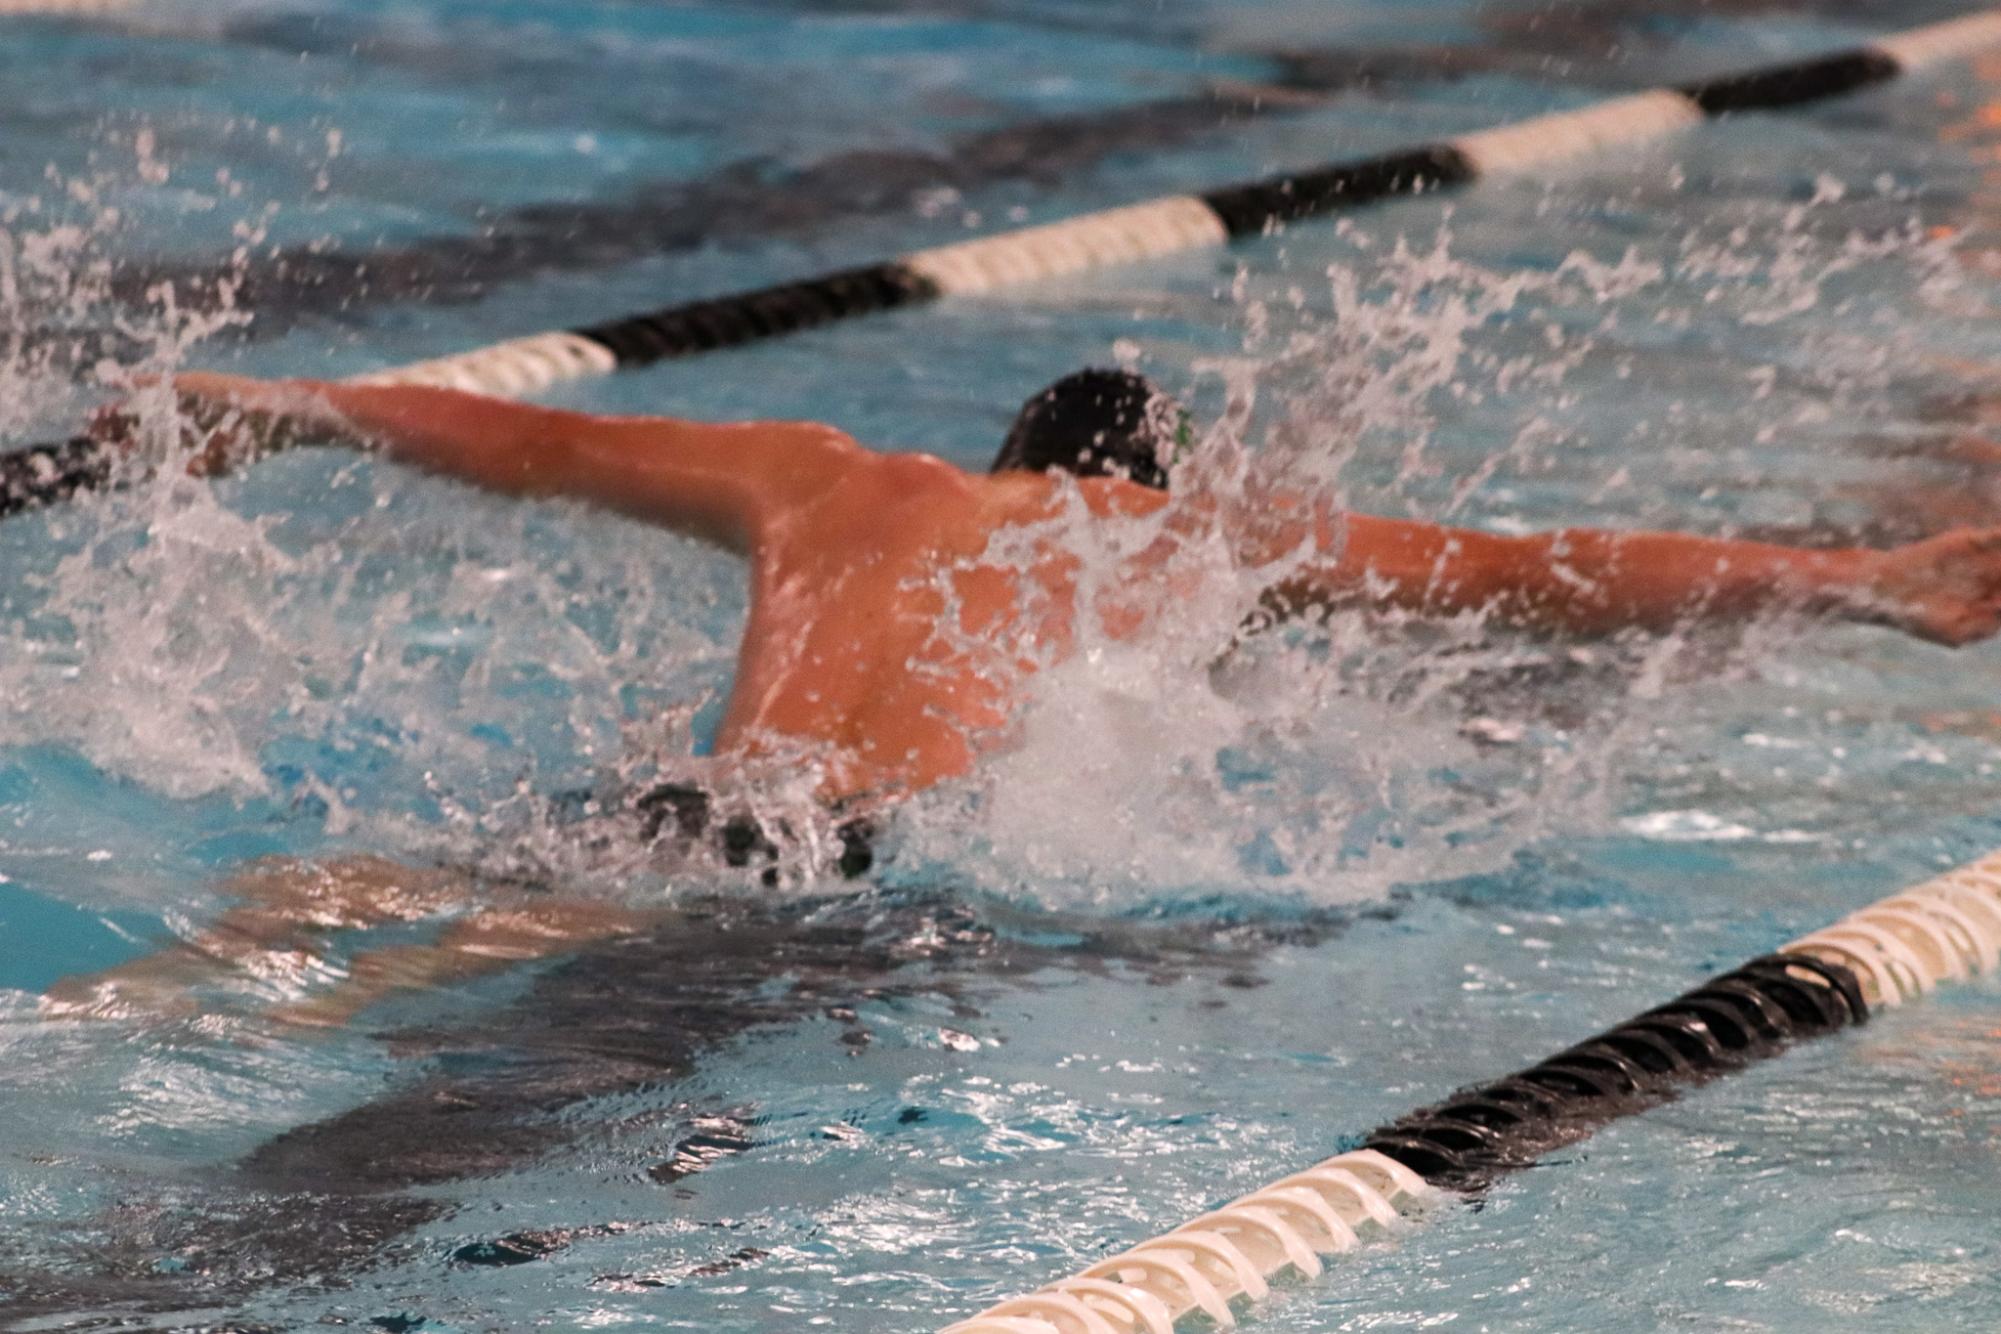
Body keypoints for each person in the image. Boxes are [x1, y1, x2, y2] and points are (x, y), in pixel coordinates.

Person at [47, 367, 2001, 1024]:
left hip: (667, 798)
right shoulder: (1175, 546)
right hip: (813, 870)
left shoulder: (829, 477)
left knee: (310, 931)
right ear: (1148, 478)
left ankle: (98, 1003)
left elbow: (518, 433)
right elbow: (1547, 577)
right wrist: (1860, 581)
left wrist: (261, 410)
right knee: (443, 996)